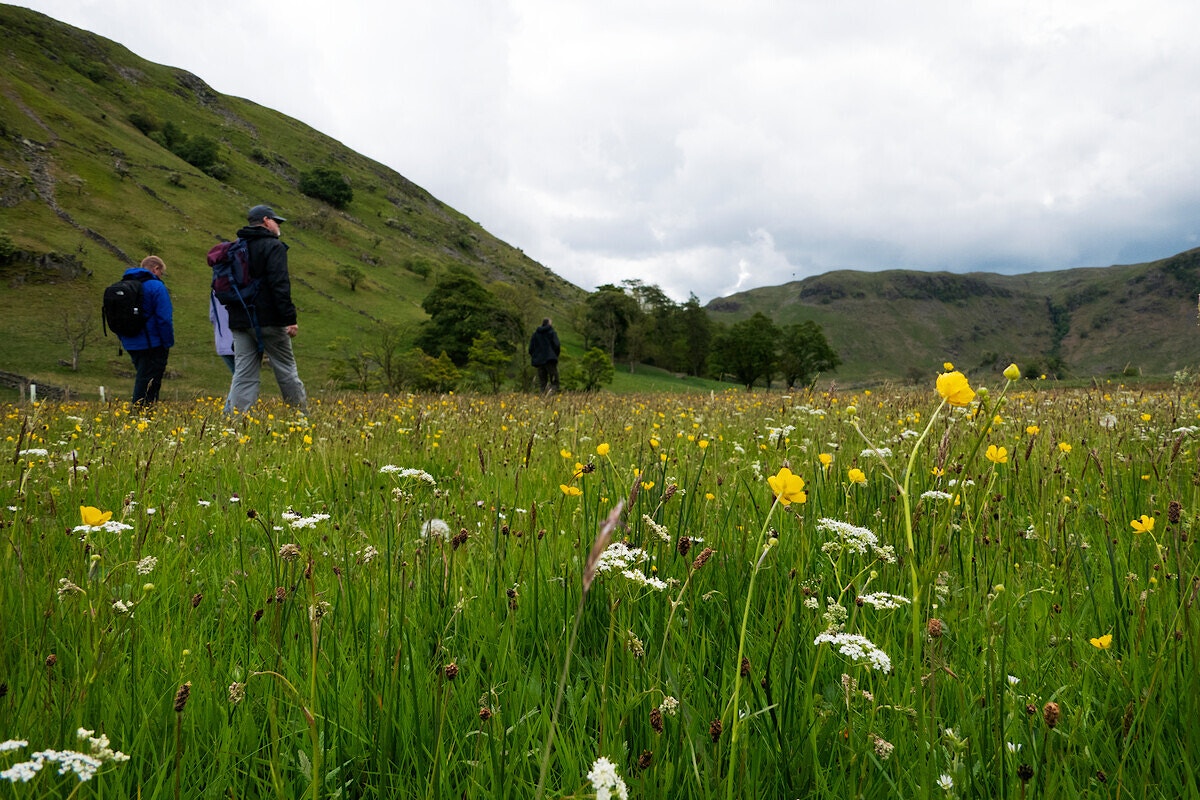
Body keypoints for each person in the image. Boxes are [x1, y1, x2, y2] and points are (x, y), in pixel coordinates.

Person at [224, 204, 307, 413]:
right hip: (269, 319)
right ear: (266, 221)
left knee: (243, 373)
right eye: (276, 221)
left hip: (240, 320)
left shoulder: (235, 247)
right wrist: (290, 318)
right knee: (286, 369)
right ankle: (300, 417)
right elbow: (279, 284)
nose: (278, 225)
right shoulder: (273, 246)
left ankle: (236, 420)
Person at [118, 255, 173, 407]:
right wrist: (167, 343)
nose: (161, 275)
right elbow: (164, 318)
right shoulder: (156, 287)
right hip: (153, 343)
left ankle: (144, 412)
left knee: (143, 377)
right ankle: (140, 414)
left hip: (130, 342)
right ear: (156, 269)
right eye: (161, 272)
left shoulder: (125, 285)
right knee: (149, 383)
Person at [528, 317, 561, 394]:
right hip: (550, 359)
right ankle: (552, 396)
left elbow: (531, 348)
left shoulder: (535, 334)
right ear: (549, 323)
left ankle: (543, 398)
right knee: (554, 380)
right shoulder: (552, 333)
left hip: (539, 361)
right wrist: (555, 355)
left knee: (543, 382)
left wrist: (535, 356)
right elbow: (557, 345)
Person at [209, 291, 235, 372]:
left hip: (223, 341)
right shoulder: (244, 284)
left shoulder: (216, 288)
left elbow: (212, 316)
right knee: (245, 378)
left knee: (238, 377)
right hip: (243, 340)